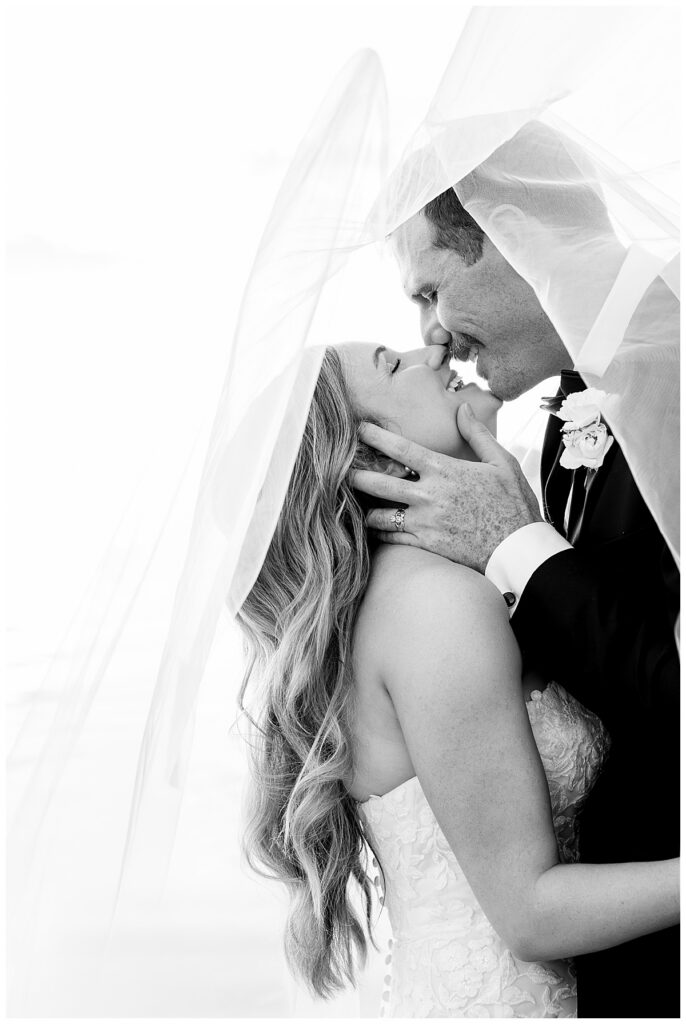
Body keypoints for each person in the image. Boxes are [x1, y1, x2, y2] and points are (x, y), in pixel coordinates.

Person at [236, 342, 678, 1018]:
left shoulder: (407, 596)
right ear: (365, 454)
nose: (431, 346)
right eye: (391, 363)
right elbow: (530, 914)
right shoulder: (435, 606)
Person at [353, 130, 680, 1018]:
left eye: (430, 291)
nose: (432, 338)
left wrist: (518, 547)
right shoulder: (578, 398)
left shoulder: (677, 362)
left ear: (510, 233)